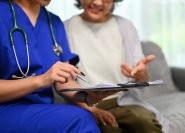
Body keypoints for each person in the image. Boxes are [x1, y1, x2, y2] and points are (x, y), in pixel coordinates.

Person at [0, 0, 118, 132]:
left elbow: (64, 82)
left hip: (43, 110)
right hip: (5, 109)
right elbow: (46, 79)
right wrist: (41, 80)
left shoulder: (53, 22)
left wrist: (87, 96)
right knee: (79, 119)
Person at [64, 0, 163, 133]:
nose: (98, 3)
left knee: (144, 123)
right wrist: (90, 110)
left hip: (123, 100)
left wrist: (140, 74)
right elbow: (63, 82)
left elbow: (141, 77)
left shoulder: (125, 26)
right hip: (85, 103)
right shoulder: (65, 28)